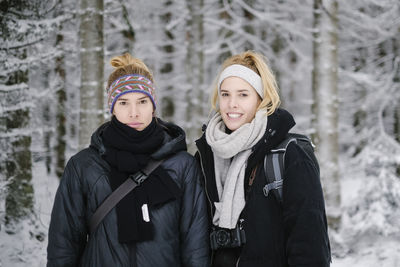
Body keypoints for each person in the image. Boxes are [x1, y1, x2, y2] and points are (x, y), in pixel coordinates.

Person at [47, 53, 210, 267]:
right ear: (112, 107)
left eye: (142, 101)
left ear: (153, 105)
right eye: (123, 102)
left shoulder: (182, 165)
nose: (134, 112)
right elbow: (64, 244)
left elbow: (195, 245)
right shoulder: (83, 166)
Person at [195, 50, 331, 267]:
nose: (232, 104)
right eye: (225, 94)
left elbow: (309, 246)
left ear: (261, 98)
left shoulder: (290, 155)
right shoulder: (206, 156)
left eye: (243, 94)